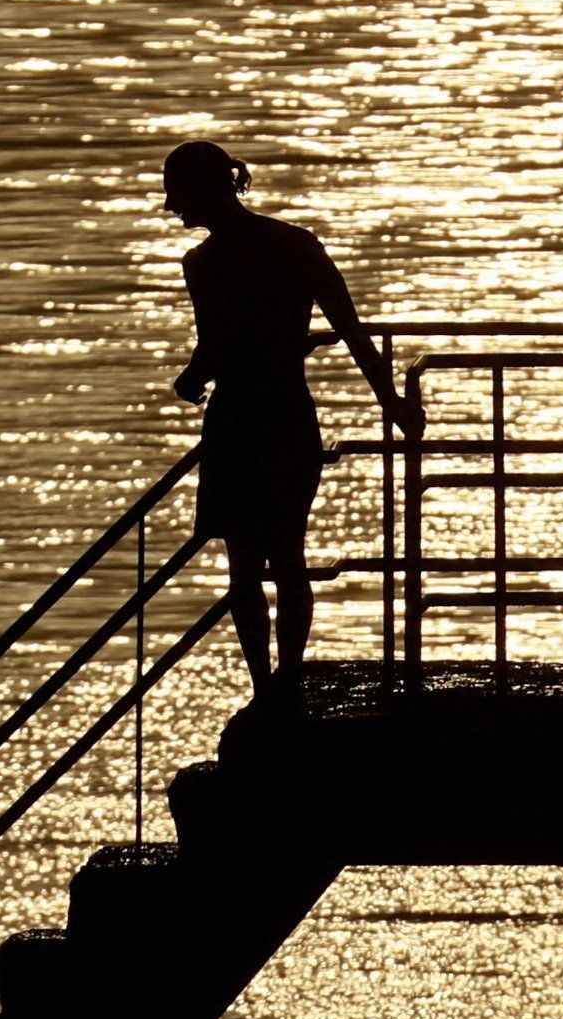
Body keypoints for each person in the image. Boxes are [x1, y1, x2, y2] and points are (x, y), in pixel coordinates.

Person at [162, 139, 412, 693]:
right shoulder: (296, 245)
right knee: (289, 556)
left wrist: (190, 379)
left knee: (244, 568)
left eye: (176, 195)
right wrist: (388, 402)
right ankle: (290, 678)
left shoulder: (202, 265)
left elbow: (216, 347)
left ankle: (265, 688)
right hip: (287, 413)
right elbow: (351, 330)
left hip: (236, 419)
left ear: (202, 190)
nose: (172, 207)